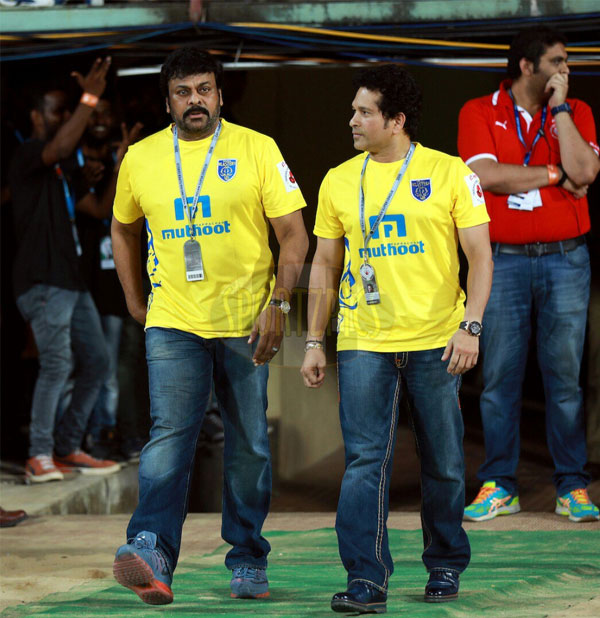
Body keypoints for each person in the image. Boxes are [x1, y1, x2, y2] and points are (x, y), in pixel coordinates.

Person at [111, 46, 308, 605]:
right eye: (182, 92)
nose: (194, 101)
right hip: (172, 319)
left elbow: (294, 234)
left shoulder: (257, 148)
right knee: (170, 436)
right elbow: (123, 229)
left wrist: (280, 304)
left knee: (248, 445)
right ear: (167, 100)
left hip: (248, 321)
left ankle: (247, 556)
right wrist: (133, 298)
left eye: (204, 89)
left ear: (220, 93)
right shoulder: (142, 157)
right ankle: (150, 550)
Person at [300, 64, 493, 613]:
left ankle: (446, 564)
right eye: (354, 110)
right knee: (365, 461)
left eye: (365, 112)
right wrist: (312, 340)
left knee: (445, 460)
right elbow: (323, 264)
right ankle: (366, 579)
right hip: (364, 337)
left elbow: (480, 257)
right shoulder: (339, 178)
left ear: (397, 120)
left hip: (437, 339)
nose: (353, 120)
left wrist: (470, 325)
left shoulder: (451, 172)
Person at [458, 26, 600, 524]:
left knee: (565, 378)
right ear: (526, 66)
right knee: (499, 377)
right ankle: (499, 484)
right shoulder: (478, 111)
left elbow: (586, 171)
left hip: (567, 257)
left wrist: (560, 111)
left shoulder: (576, 112)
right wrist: (553, 176)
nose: (566, 69)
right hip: (504, 259)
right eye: (557, 62)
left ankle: (572, 487)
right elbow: (484, 176)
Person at [9, 58, 125, 483]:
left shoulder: (62, 167)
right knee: (57, 364)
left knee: (95, 363)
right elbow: (57, 147)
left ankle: (67, 447)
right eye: (57, 110)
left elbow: (98, 208)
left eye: (67, 110)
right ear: (37, 116)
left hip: (70, 283)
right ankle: (39, 455)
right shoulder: (29, 156)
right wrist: (90, 98)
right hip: (41, 281)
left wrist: (117, 165)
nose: (64, 117)